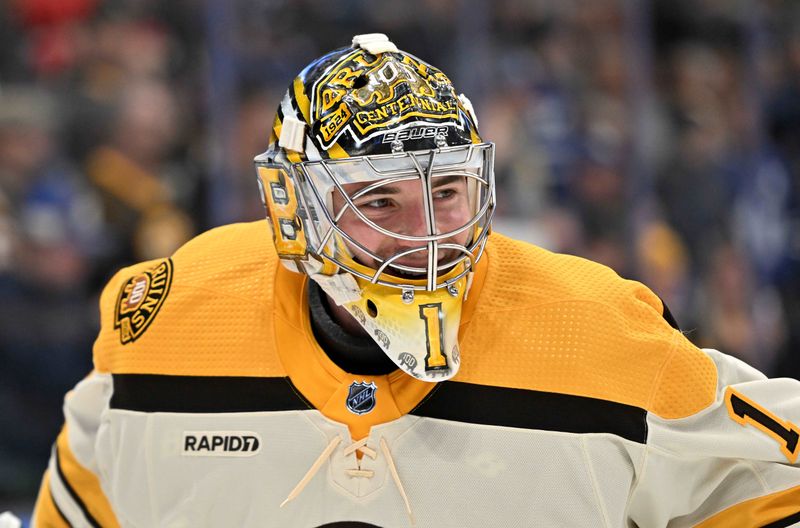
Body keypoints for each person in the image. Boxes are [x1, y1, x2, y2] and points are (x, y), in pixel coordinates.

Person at [32, 34, 800, 527]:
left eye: (446, 191)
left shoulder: (598, 327)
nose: (426, 235)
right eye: (378, 199)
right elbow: (86, 496)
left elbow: (778, 477)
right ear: (292, 210)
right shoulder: (171, 316)